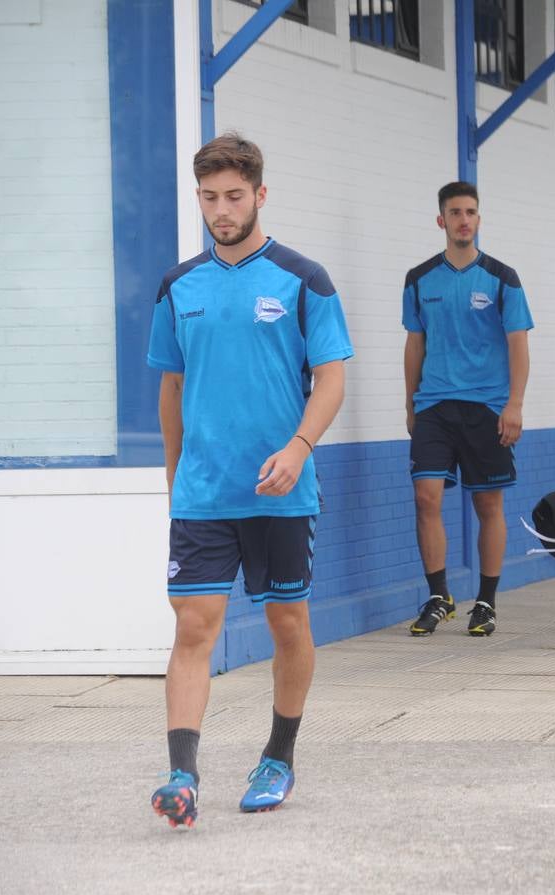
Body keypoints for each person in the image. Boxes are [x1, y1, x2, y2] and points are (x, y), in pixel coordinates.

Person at [147, 133, 354, 826]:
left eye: (234, 196)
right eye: (209, 198)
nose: (221, 210)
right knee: (193, 627)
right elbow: (171, 393)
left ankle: (279, 756)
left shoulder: (304, 279)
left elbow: (332, 379)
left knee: (287, 622)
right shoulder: (179, 286)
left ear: (260, 195)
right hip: (204, 494)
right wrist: (178, 483)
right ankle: (182, 775)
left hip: (281, 491)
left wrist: (298, 447)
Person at [404, 182, 534, 637]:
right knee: (426, 497)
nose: (463, 219)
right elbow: (414, 343)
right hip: (435, 405)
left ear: (479, 219)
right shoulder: (419, 279)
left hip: (487, 407)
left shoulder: (503, 277)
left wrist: (514, 404)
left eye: (471, 212)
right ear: (441, 220)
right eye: (455, 212)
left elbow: (519, 345)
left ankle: (487, 601)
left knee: (487, 505)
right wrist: (410, 402)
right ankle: (439, 596)